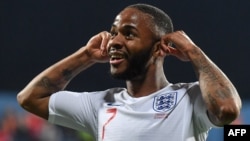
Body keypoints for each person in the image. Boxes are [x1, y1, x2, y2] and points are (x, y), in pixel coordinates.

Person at [17, 3, 242, 141]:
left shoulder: (190, 98)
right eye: (114, 33)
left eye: (129, 34)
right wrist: (85, 55)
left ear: (159, 48)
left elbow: (227, 110)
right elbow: (30, 98)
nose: (115, 41)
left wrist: (194, 52)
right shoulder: (100, 105)